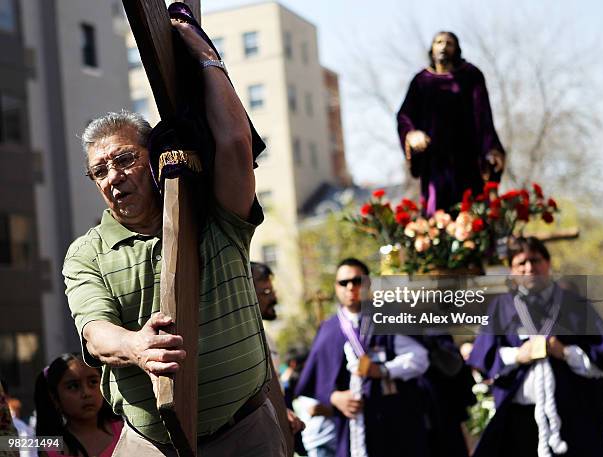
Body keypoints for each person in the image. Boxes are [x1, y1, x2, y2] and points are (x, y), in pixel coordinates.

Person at [62, 8, 284, 457]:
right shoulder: (87, 253)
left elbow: (237, 146)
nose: (113, 177)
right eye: (99, 171)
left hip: (245, 433)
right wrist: (136, 346)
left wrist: (205, 55)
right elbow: (95, 332)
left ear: (156, 158)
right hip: (150, 443)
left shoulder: (216, 215)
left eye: (124, 160)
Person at [468, 237, 603, 457]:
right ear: (512, 271)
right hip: (519, 419)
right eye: (521, 263)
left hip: (574, 417)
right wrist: (518, 355)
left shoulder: (576, 306)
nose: (529, 268)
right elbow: (483, 357)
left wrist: (565, 352)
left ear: (548, 263)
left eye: (535, 261)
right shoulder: (501, 307)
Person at [294, 258, 430, 457]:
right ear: (336, 287)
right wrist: (334, 398)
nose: (350, 287)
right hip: (351, 429)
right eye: (343, 283)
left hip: (396, 422)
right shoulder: (328, 330)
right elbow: (310, 387)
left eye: (357, 281)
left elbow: (420, 358)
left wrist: (384, 370)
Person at [396, 31, 505, 215]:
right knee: (437, 218)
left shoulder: (470, 75)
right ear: (431, 49)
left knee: (472, 215)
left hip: (467, 161)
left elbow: (483, 116)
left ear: (457, 49)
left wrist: (491, 148)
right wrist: (411, 134)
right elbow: (404, 115)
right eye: (439, 42)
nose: (444, 47)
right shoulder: (421, 81)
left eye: (449, 43)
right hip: (435, 165)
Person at [250, 262, 305, 445]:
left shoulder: (267, 338)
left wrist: (282, 410)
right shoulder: (245, 342)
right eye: (266, 292)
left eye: (272, 291)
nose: (274, 298)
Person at [34, 353, 123, 457]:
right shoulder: (50, 446)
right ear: (55, 398)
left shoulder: (124, 431)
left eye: (93, 382)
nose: (86, 393)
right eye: (73, 386)